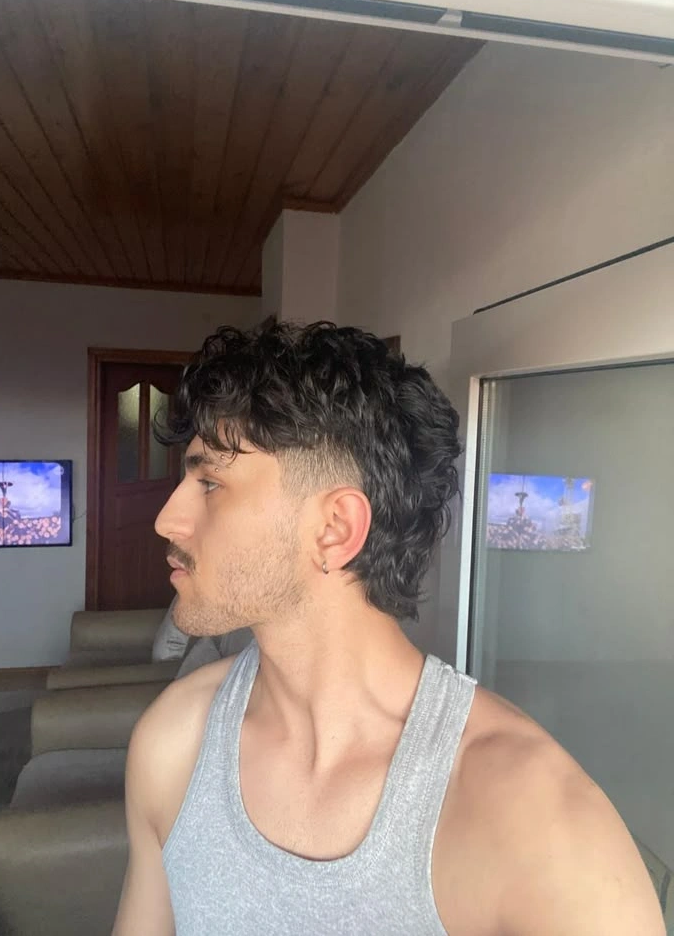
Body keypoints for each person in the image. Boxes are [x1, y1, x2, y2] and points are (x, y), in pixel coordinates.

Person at [113, 321, 664, 935]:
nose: (167, 519)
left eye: (210, 483)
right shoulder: (174, 739)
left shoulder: (540, 827)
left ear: (334, 529)